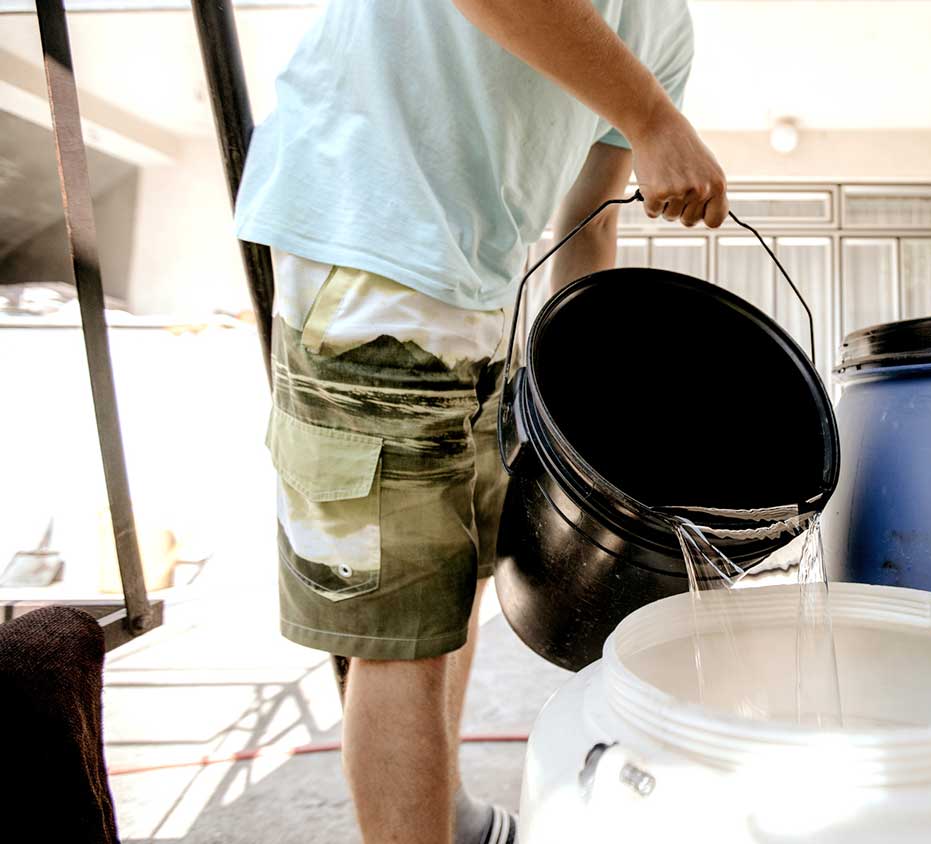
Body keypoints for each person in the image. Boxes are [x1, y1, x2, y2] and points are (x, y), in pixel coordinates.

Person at [234, 2, 725, 842]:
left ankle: (443, 816)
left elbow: (589, 217)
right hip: (368, 256)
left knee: (453, 584)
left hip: (483, 293)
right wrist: (652, 119)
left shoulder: (662, 29)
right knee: (400, 637)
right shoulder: (653, 91)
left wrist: (584, 403)